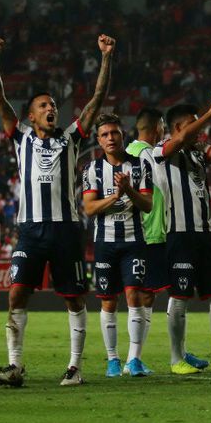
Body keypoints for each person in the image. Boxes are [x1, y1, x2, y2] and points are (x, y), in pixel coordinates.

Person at [0, 34, 114, 387]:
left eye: (53, 104)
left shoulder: (71, 137)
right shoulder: (21, 137)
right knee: (17, 292)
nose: (50, 108)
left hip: (65, 229)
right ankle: (15, 366)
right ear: (31, 115)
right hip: (30, 230)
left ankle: (74, 367)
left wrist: (105, 57)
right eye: (43, 105)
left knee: (74, 297)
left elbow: (97, 99)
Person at [154, 92, 211, 374]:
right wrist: (208, 114)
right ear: (178, 127)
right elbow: (181, 139)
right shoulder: (161, 150)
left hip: (207, 233)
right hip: (179, 234)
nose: (201, 130)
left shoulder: (198, 152)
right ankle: (176, 359)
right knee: (179, 297)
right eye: (193, 123)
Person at [83, 114, 154, 377]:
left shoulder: (139, 166)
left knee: (134, 295)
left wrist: (129, 190)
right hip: (105, 242)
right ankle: (112, 359)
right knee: (108, 301)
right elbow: (89, 208)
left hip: (134, 241)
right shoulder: (91, 169)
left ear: (122, 135)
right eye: (105, 134)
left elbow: (148, 205)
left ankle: (133, 359)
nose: (110, 138)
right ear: (98, 140)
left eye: (114, 133)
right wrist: (115, 196)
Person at [124, 107, 168, 373]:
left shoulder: (128, 152)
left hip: (138, 232)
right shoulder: (148, 155)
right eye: (162, 125)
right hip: (149, 233)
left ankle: (132, 358)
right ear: (156, 128)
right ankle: (132, 358)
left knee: (142, 295)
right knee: (144, 296)